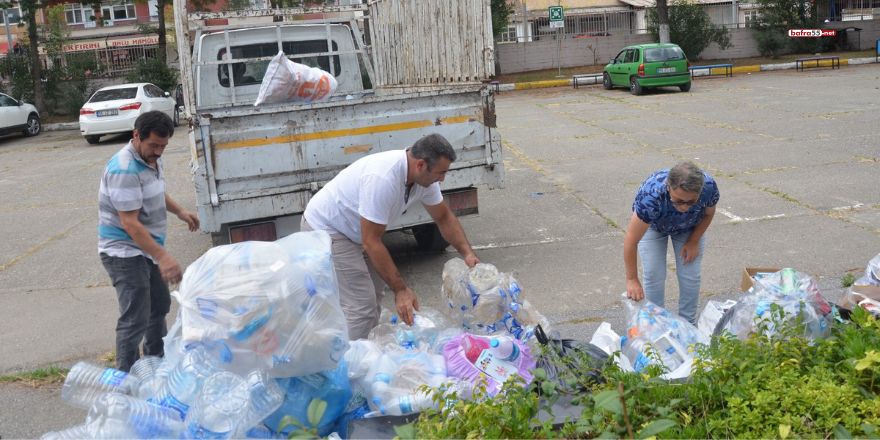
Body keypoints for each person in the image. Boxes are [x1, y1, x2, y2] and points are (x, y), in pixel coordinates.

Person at [302, 133, 481, 339]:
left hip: (356, 233)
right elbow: (371, 242)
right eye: (440, 173)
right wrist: (401, 290)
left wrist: (468, 253)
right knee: (361, 304)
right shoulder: (383, 178)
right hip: (327, 230)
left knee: (375, 293)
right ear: (421, 165)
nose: (442, 178)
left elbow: (443, 218)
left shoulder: (423, 181)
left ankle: (364, 347)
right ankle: (350, 365)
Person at [98, 111, 200, 372]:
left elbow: (155, 191)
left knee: (159, 307)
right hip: (124, 253)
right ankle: (126, 380)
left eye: (164, 146)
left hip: (147, 250)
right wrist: (164, 257)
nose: (159, 151)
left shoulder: (151, 159)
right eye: (154, 144)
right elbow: (130, 223)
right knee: (135, 318)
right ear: (136, 136)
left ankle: (157, 366)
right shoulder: (125, 168)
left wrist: (180, 211)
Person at [623, 161, 719, 325]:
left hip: (690, 226)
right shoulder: (651, 198)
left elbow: (709, 214)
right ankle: (657, 323)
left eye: (691, 202)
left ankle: (687, 325)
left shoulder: (709, 187)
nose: (684, 207)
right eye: (679, 201)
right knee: (654, 275)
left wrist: (694, 240)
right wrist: (632, 279)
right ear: (668, 186)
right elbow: (631, 241)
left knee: (690, 275)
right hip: (653, 226)